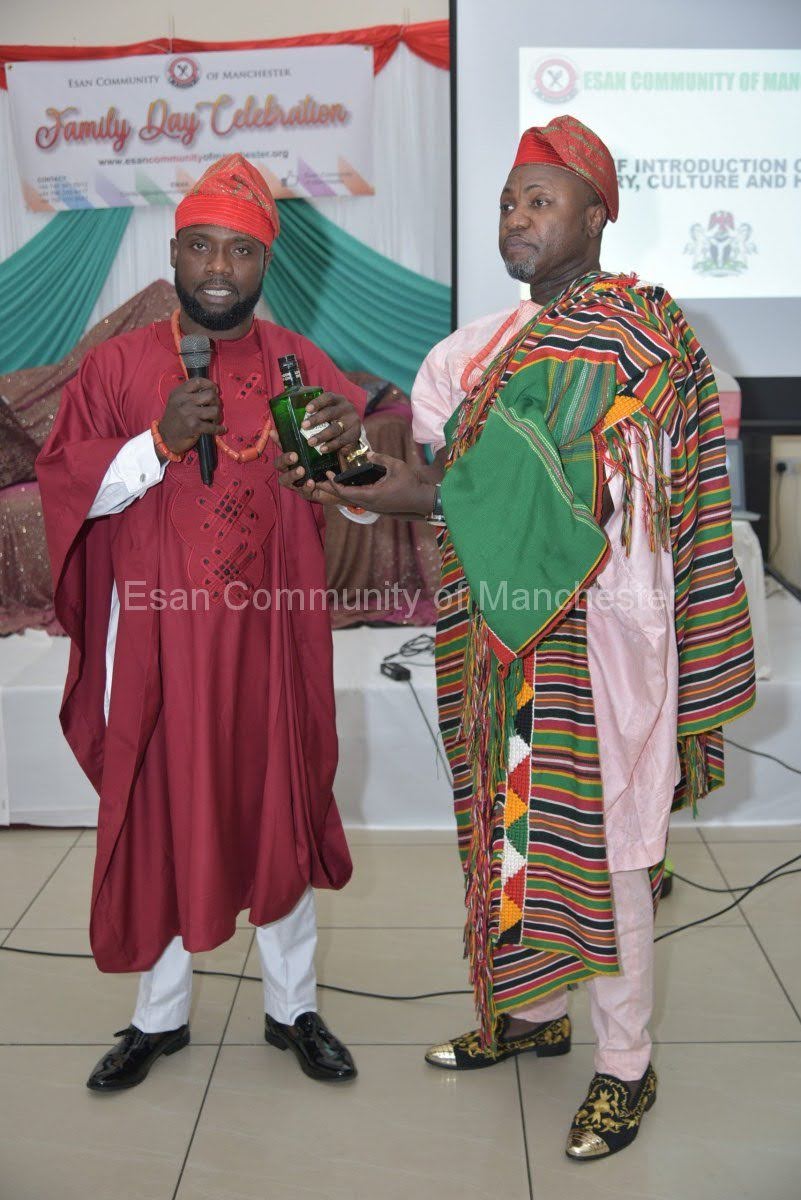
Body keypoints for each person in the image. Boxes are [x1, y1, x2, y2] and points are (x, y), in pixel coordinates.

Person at [274, 117, 756, 1159]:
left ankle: (625, 1065)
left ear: (597, 214)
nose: (516, 217)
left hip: (603, 633)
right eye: (506, 202)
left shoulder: (645, 333)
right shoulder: (468, 352)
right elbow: (455, 489)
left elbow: (598, 487)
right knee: (506, 827)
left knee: (608, 845)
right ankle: (529, 1015)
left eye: (541, 199)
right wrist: (356, 476)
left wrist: (427, 492)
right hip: (493, 640)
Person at [37, 153, 366, 1092]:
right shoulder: (116, 367)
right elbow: (67, 486)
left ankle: (293, 1007)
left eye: (242, 250)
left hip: (271, 639)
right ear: (174, 252)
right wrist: (158, 441)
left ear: (266, 263)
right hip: (157, 639)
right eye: (202, 247)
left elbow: (353, 498)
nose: (220, 267)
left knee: (278, 801)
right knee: (160, 806)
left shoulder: (301, 362)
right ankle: (159, 1016)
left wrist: (348, 454)